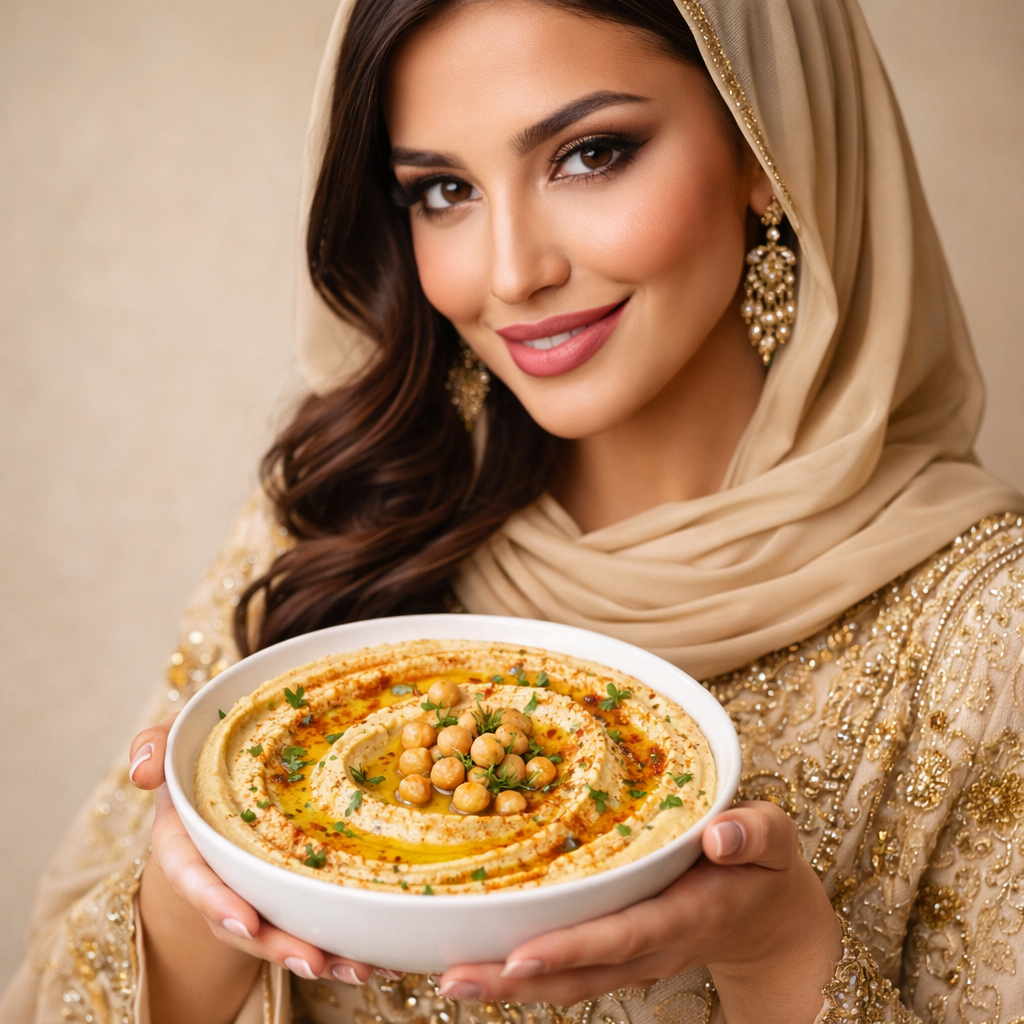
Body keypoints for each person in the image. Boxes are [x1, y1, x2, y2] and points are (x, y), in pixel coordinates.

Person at [4, 0, 1024, 1020]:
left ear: (768, 144)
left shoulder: (987, 634)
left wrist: (774, 948)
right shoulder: (345, 523)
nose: (511, 272)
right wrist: (199, 907)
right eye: (443, 190)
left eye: (591, 156)